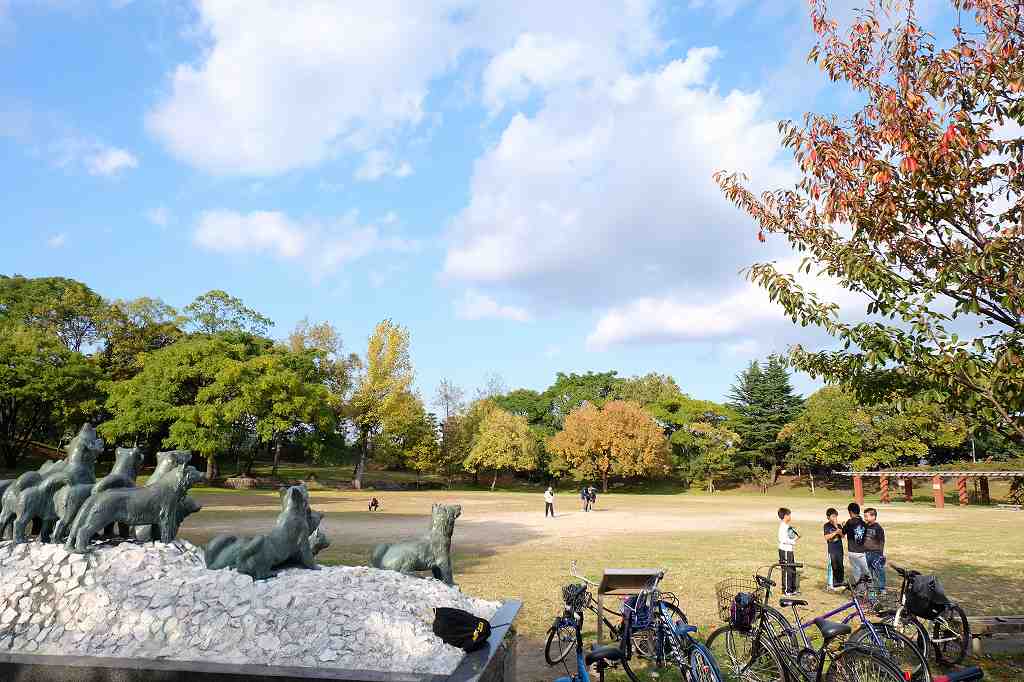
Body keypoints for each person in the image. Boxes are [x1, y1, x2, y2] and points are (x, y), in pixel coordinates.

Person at [843, 502, 869, 585]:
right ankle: (871, 593)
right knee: (867, 573)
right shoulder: (864, 523)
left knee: (857, 571)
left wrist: (844, 526)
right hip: (862, 551)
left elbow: (843, 533)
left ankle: (859, 592)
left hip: (853, 551)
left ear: (850, 512)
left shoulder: (849, 522)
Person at [777, 507, 799, 596]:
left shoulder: (788, 526)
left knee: (792, 569)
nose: (790, 517)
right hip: (785, 550)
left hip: (789, 550)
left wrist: (796, 536)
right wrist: (793, 541)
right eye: (789, 515)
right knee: (787, 570)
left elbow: (790, 536)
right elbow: (782, 539)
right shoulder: (783, 526)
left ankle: (792, 589)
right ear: (785, 516)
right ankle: (786, 590)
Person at [863, 507, 886, 591]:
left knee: (879, 571)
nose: (865, 518)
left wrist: (880, 554)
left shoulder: (878, 528)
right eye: (864, 516)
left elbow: (882, 541)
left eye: (866, 516)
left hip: (876, 554)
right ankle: (870, 589)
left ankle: (882, 589)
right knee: (868, 572)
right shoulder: (865, 526)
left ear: (873, 517)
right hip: (866, 553)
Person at [823, 508, 844, 590]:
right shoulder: (826, 526)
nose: (835, 518)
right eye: (833, 516)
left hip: (839, 549)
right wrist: (835, 532)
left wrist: (838, 528)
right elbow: (826, 537)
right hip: (832, 550)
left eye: (836, 516)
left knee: (840, 566)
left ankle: (839, 583)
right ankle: (830, 584)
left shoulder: (838, 526)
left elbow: (842, 536)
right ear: (828, 517)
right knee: (832, 566)